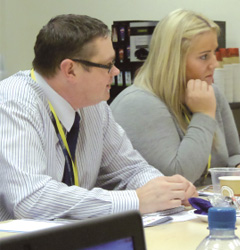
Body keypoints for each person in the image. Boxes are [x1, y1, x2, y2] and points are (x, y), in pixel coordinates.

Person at [0, 14, 197, 222]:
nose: (116, 71)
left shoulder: (94, 105)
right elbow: (31, 200)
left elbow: (130, 170)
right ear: (70, 70)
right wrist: (136, 200)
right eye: (108, 65)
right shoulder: (13, 103)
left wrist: (167, 191)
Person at [110, 9, 240, 187]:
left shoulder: (211, 92)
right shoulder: (138, 103)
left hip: (208, 205)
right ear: (173, 60)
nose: (214, 64)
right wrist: (204, 115)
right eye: (203, 56)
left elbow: (233, 154)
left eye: (214, 53)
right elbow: (179, 176)